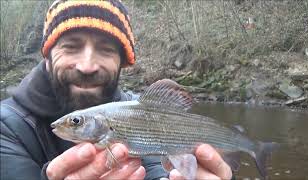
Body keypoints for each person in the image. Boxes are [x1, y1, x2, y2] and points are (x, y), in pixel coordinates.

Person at [0, 0, 232, 179]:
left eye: (105, 49)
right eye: (71, 47)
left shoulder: (142, 113)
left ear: (122, 63)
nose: (87, 66)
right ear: (48, 58)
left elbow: (155, 171)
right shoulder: (6, 127)